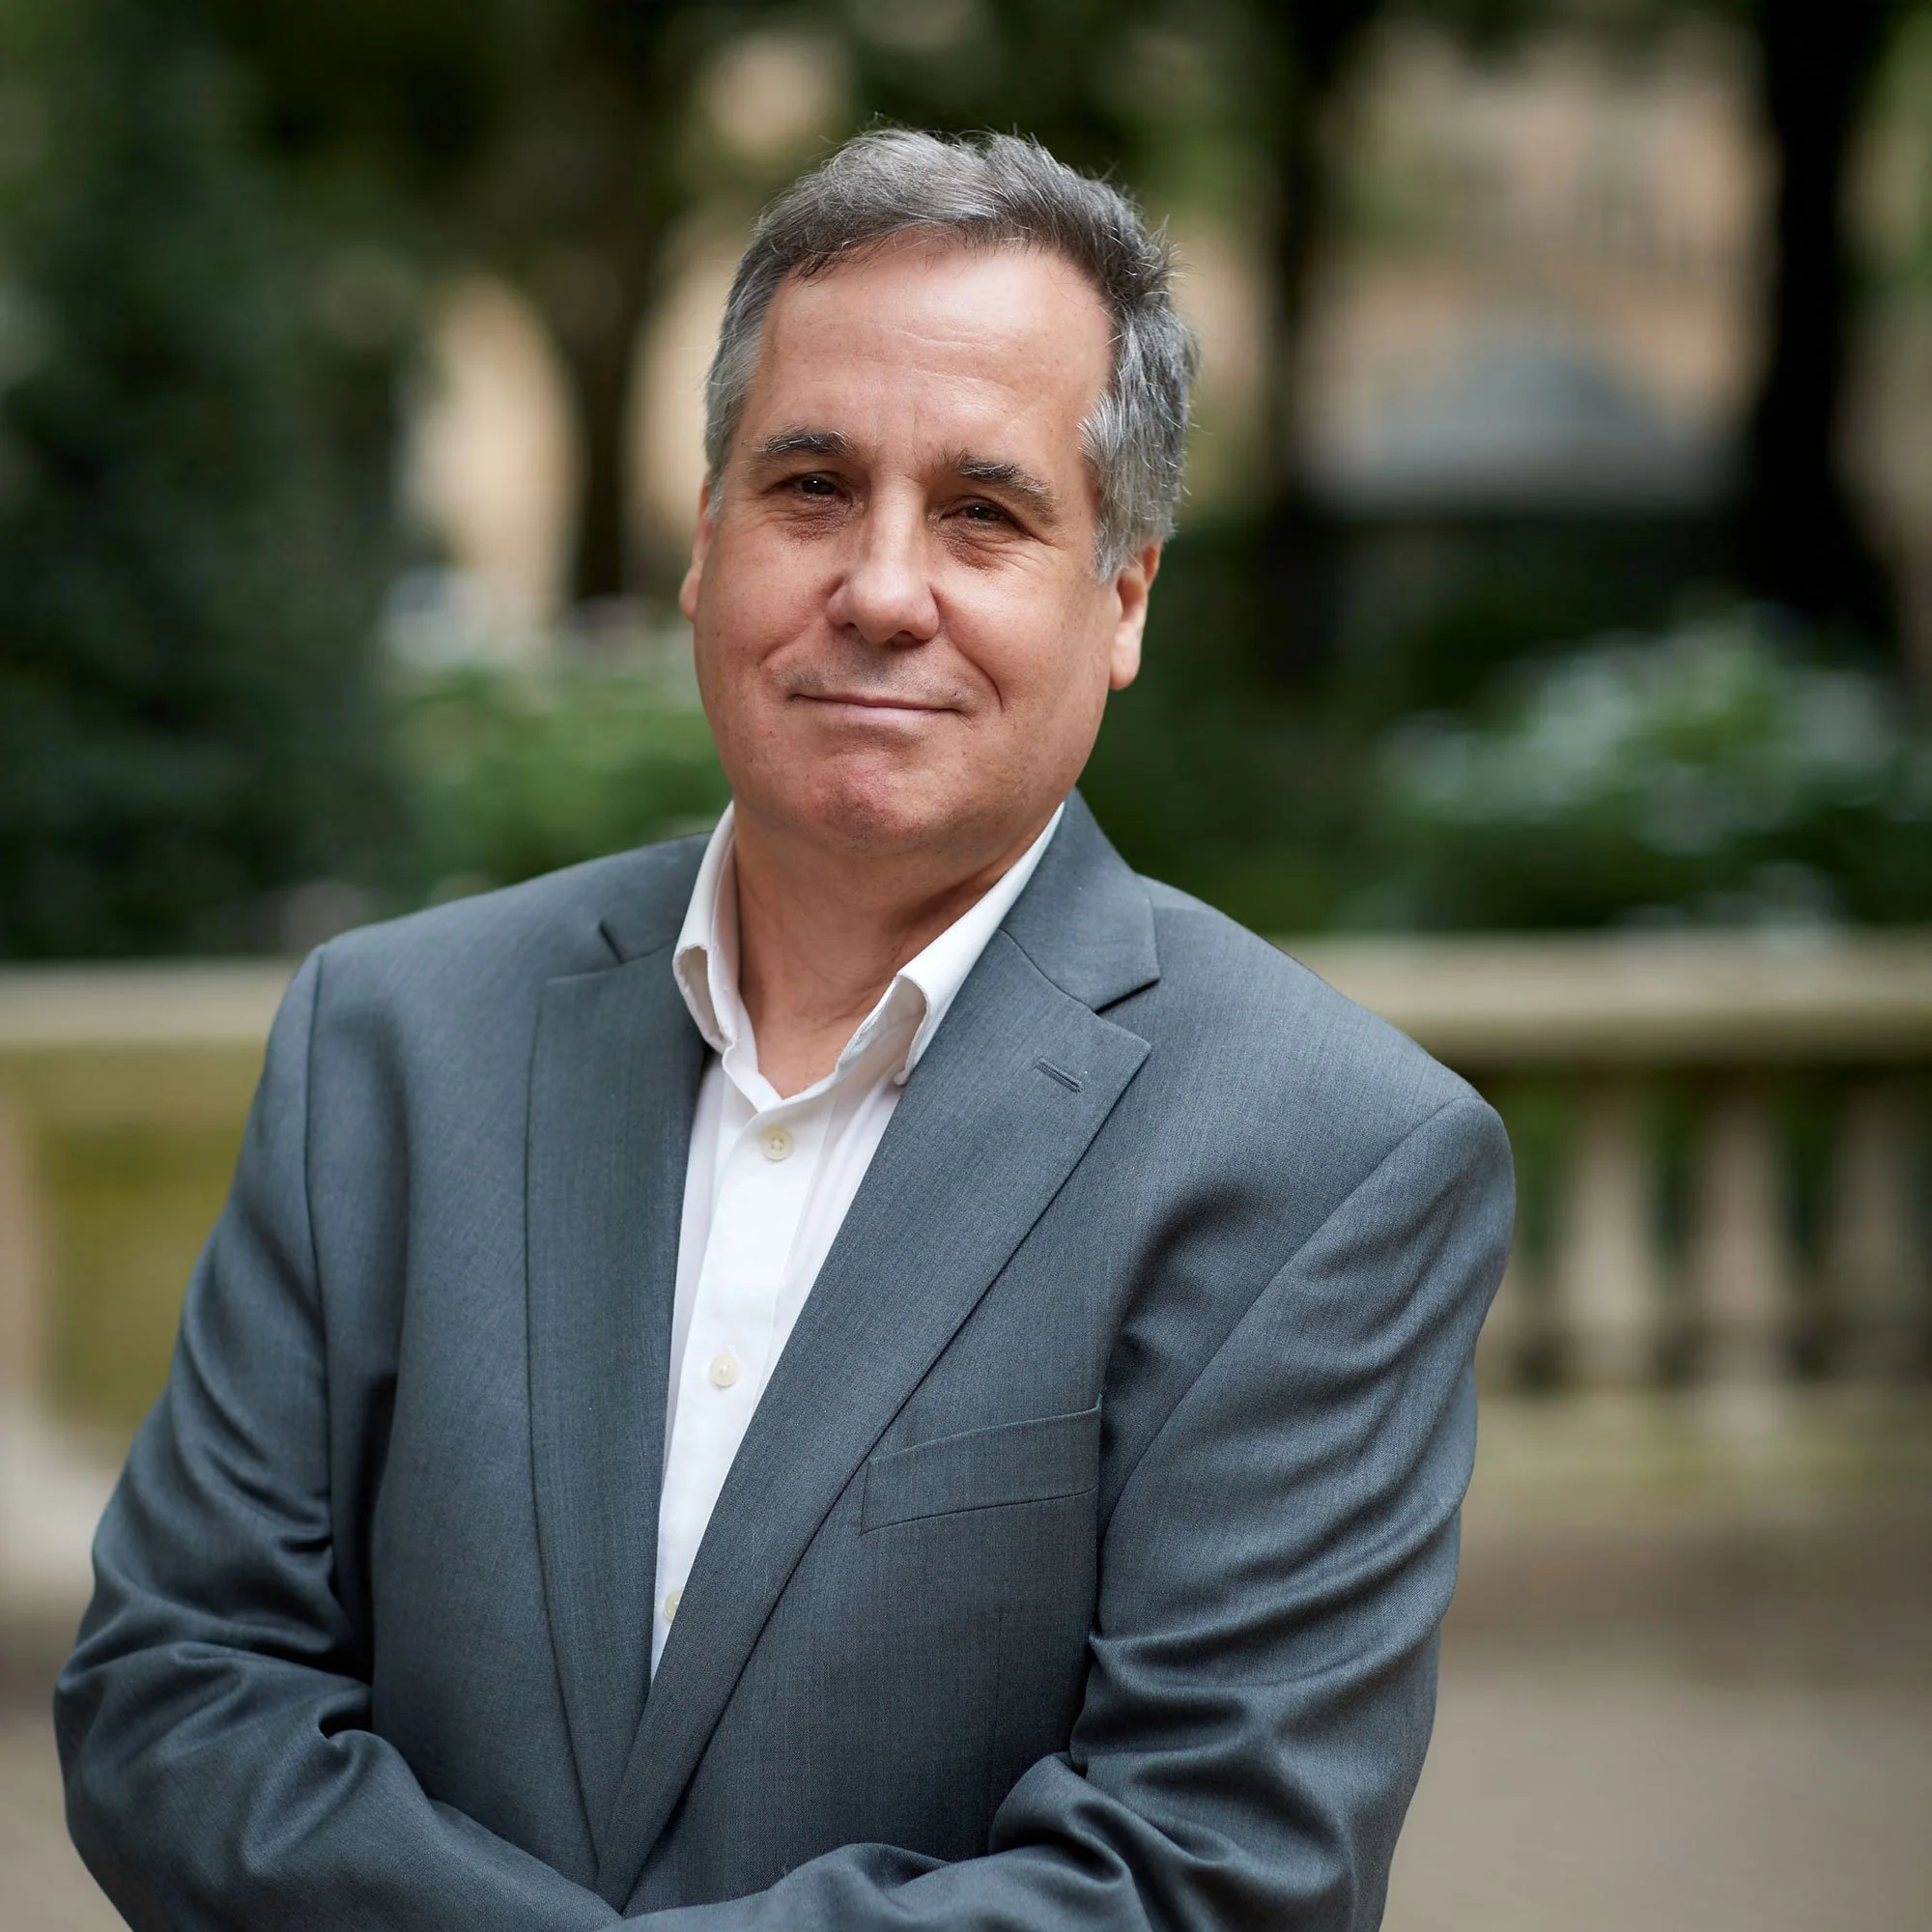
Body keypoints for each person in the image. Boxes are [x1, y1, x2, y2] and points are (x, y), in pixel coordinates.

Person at [56, 130, 1512, 1930]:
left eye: (984, 512)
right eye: (812, 487)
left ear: (1122, 597)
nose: (884, 588)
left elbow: (1212, 1875)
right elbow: (175, 1700)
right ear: (705, 548)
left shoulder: (1329, 1156)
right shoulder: (388, 1044)